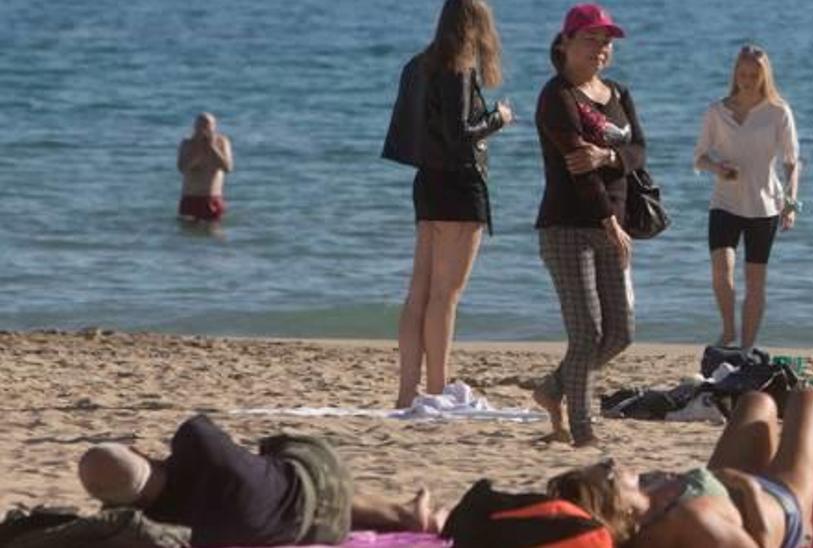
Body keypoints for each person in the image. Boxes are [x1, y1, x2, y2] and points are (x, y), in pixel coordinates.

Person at [530, 3, 646, 448]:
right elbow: (578, 167)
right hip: (567, 226)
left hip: (612, 225)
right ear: (565, 44)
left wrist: (610, 157)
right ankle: (581, 432)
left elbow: (639, 152)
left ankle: (552, 388)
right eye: (591, 39)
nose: (600, 48)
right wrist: (605, 219)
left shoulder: (617, 93)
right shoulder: (557, 96)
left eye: (606, 41)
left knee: (620, 333)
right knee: (586, 335)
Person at [392, 0, 513, 407]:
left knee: (420, 292)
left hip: (427, 181)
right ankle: (437, 390)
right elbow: (460, 131)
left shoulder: (419, 65)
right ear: (477, 25)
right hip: (459, 186)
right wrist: (499, 117)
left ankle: (408, 392)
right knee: (446, 295)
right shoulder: (458, 67)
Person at [76, 415, 446, 547]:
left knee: (290, 499)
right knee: (285, 454)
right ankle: (404, 510)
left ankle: (403, 515)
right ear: (137, 451)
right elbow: (221, 439)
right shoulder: (196, 443)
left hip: (316, 532)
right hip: (314, 479)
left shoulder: (162, 522)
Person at [547, 389, 813, 548]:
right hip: (777, 505)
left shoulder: (644, 511)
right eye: (608, 471)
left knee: (756, 402)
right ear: (620, 508)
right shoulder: (688, 519)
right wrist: (749, 489)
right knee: (812, 400)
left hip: (726, 491)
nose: (612, 462)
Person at [693, 44, 801, 352]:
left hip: (764, 206)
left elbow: (792, 162)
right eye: (742, 74)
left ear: (765, 76)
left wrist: (791, 203)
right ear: (735, 74)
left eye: (754, 75)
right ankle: (729, 331)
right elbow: (699, 157)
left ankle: (746, 347)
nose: (748, 80)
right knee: (721, 270)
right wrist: (718, 168)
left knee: (755, 282)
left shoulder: (778, 112)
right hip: (724, 202)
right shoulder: (717, 111)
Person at [177, 113, 233, 223]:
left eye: (207, 126)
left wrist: (212, 148)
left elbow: (227, 168)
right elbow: (182, 168)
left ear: (214, 127)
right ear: (195, 127)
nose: (203, 129)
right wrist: (198, 152)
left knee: (215, 234)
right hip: (190, 197)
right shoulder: (187, 143)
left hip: (212, 198)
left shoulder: (222, 142)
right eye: (200, 125)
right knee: (187, 235)